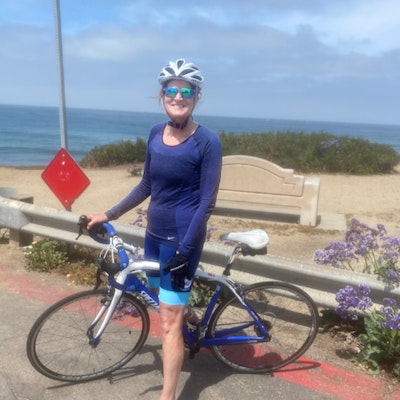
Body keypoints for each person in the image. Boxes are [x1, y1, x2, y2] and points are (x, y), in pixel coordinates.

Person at [87, 58, 222, 400]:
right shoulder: (154, 133)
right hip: (154, 236)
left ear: (197, 96)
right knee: (164, 303)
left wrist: (184, 251)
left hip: (182, 243)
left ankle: (167, 396)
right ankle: (187, 312)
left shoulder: (207, 141)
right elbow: (146, 184)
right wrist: (108, 213)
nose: (178, 97)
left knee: (168, 323)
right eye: (171, 90)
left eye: (186, 92)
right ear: (162, 95)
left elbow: (206, 203)